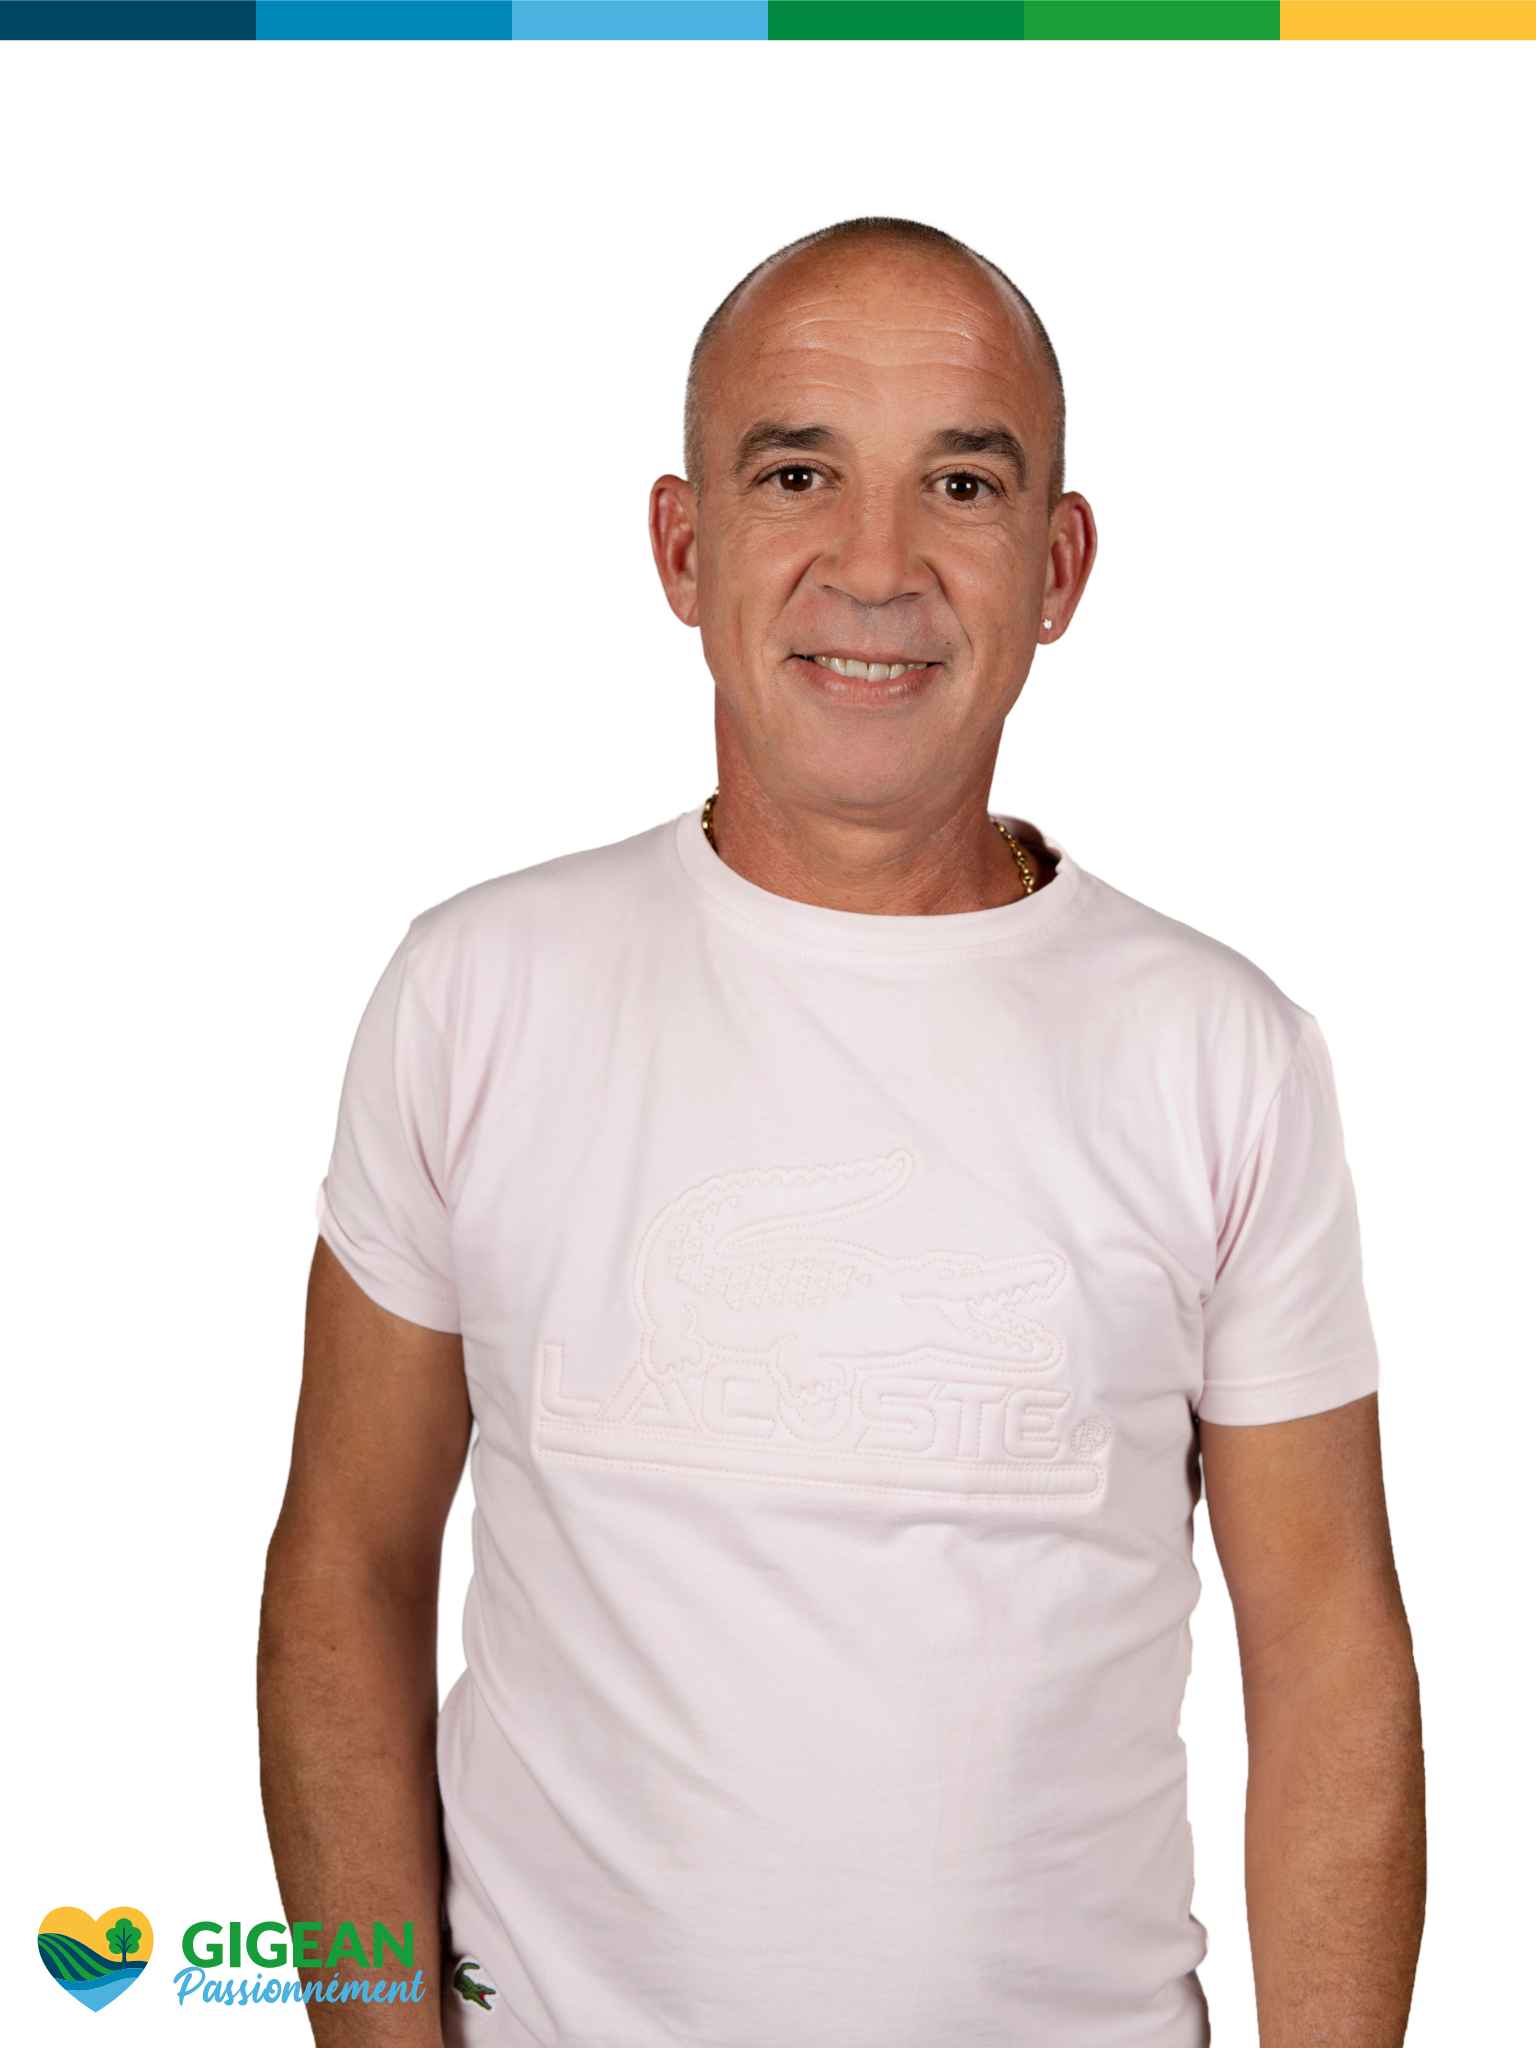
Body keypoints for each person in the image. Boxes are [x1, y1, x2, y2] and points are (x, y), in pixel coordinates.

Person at [258, 217, 1425, 2048]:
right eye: (798, 474)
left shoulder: (1223, 1056)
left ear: (1058, 565)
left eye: (960, 485)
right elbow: (346, 1574)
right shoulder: (478, 995)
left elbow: (1330, 1653)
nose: (875, 568)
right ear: (683, 546)